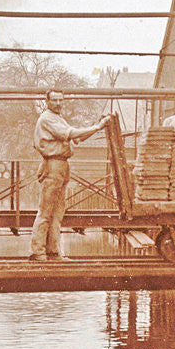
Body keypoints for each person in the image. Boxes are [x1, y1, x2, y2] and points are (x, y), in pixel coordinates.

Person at [30, 90, 110, 261]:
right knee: (45, 210)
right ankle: (38, 251)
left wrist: (98, 125)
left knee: (58, 211)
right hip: (52, 164)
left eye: (61, 100)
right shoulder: (47, 118)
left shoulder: (58, 119)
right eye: (55, 100)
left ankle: (53, 251)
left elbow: (78, 139)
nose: (58, 103)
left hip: (62, 165)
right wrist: (98, 127)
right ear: (47, 101)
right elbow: (72, 134)